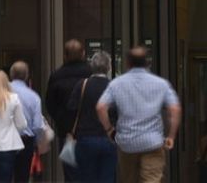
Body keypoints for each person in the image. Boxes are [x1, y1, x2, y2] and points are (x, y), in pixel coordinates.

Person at [97, 46, 182, 183]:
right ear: (147, 63)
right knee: (152, 179)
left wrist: (109, 130)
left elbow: (101, 107)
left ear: (128, 63)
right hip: (152, 142)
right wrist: (171, 136)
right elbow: (175, 109)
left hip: (127, 143)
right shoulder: (161, 84)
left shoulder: (117, 84)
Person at [67, 51, 117, 183]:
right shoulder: (113, 87)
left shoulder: (82, 85)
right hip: (108, 138)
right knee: (107, 177)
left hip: (85, 137)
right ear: (109, 67)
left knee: (85, 177)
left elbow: (71, 110)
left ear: (91, 66)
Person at [45, 39, 91, 181]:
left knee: (71, 174)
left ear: (65, 55)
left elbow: (50, 104)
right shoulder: (91, 73)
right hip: (91, 131)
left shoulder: (56, 76)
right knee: (90, 172)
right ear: (83, 54)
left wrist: (61, 120)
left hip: (67, 133)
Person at [8, 61, 44, 183]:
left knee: (3, 176)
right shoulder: (33, 96)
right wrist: (37, 143)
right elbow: (38, 125)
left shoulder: (2, 92)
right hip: (26, 141)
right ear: (26, 75)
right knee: (22, 177)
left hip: (4, 139)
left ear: (11, 74)